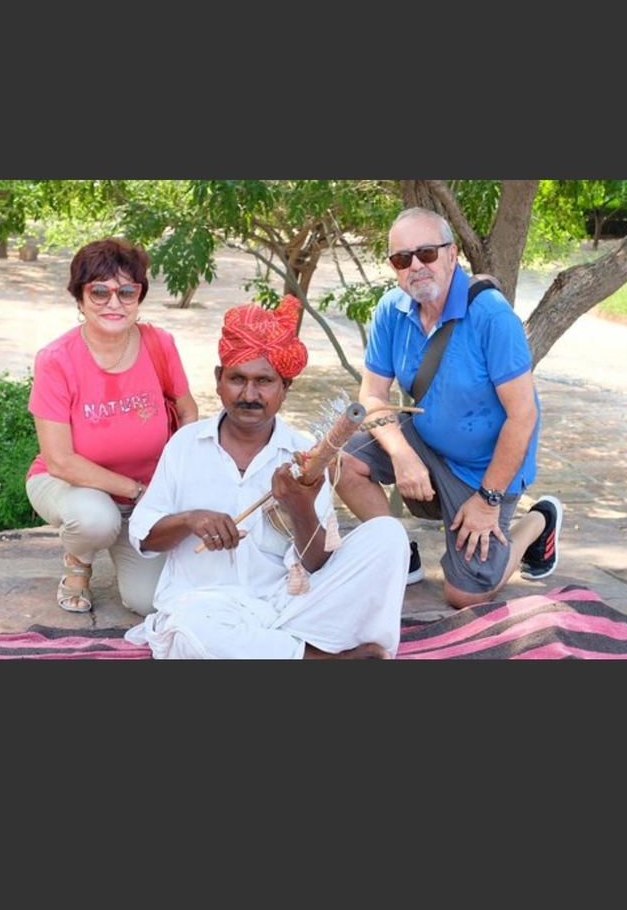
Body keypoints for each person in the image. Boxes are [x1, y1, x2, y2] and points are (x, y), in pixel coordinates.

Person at [124, 294, 410, 659]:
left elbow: (317, 564)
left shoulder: (302, 452)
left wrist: (301, 506)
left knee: (388, 535)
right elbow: (143, 538)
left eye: (264, 381)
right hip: (205, 607)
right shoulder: (185, 444)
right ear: (218, 380)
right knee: (188, 632)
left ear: (284, 388)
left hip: (289, 608)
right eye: (237, 379)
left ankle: (277, 650)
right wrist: (189, 520)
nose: (249, 394)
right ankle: (323, 659)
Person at [333, 207, 563, 610]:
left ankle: (537, 523)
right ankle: (400, 554)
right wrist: (402, 455)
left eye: (426, 253)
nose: (416, 266)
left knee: (465, 596)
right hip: (425, 441)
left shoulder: (492, 317)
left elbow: (522, 416)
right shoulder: (392, 309)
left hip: (484, 469)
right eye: (402, 259)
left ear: (452, 254)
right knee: (339, 461)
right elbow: (371, 395)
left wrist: (488, 499)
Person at [26, 237, 199, 616]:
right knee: (95, 519)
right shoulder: (56, 360)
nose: (114, 303)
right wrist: (137, 492)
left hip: (146, 496)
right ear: (79, 297)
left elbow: (188, 413)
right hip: (72, 486)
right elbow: (59, 461)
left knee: (149, 602)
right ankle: (78, 562)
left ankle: (122, 539)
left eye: (126, 291)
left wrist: (175, 479)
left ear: (140, 295)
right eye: (99, 291)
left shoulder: (160, 344)